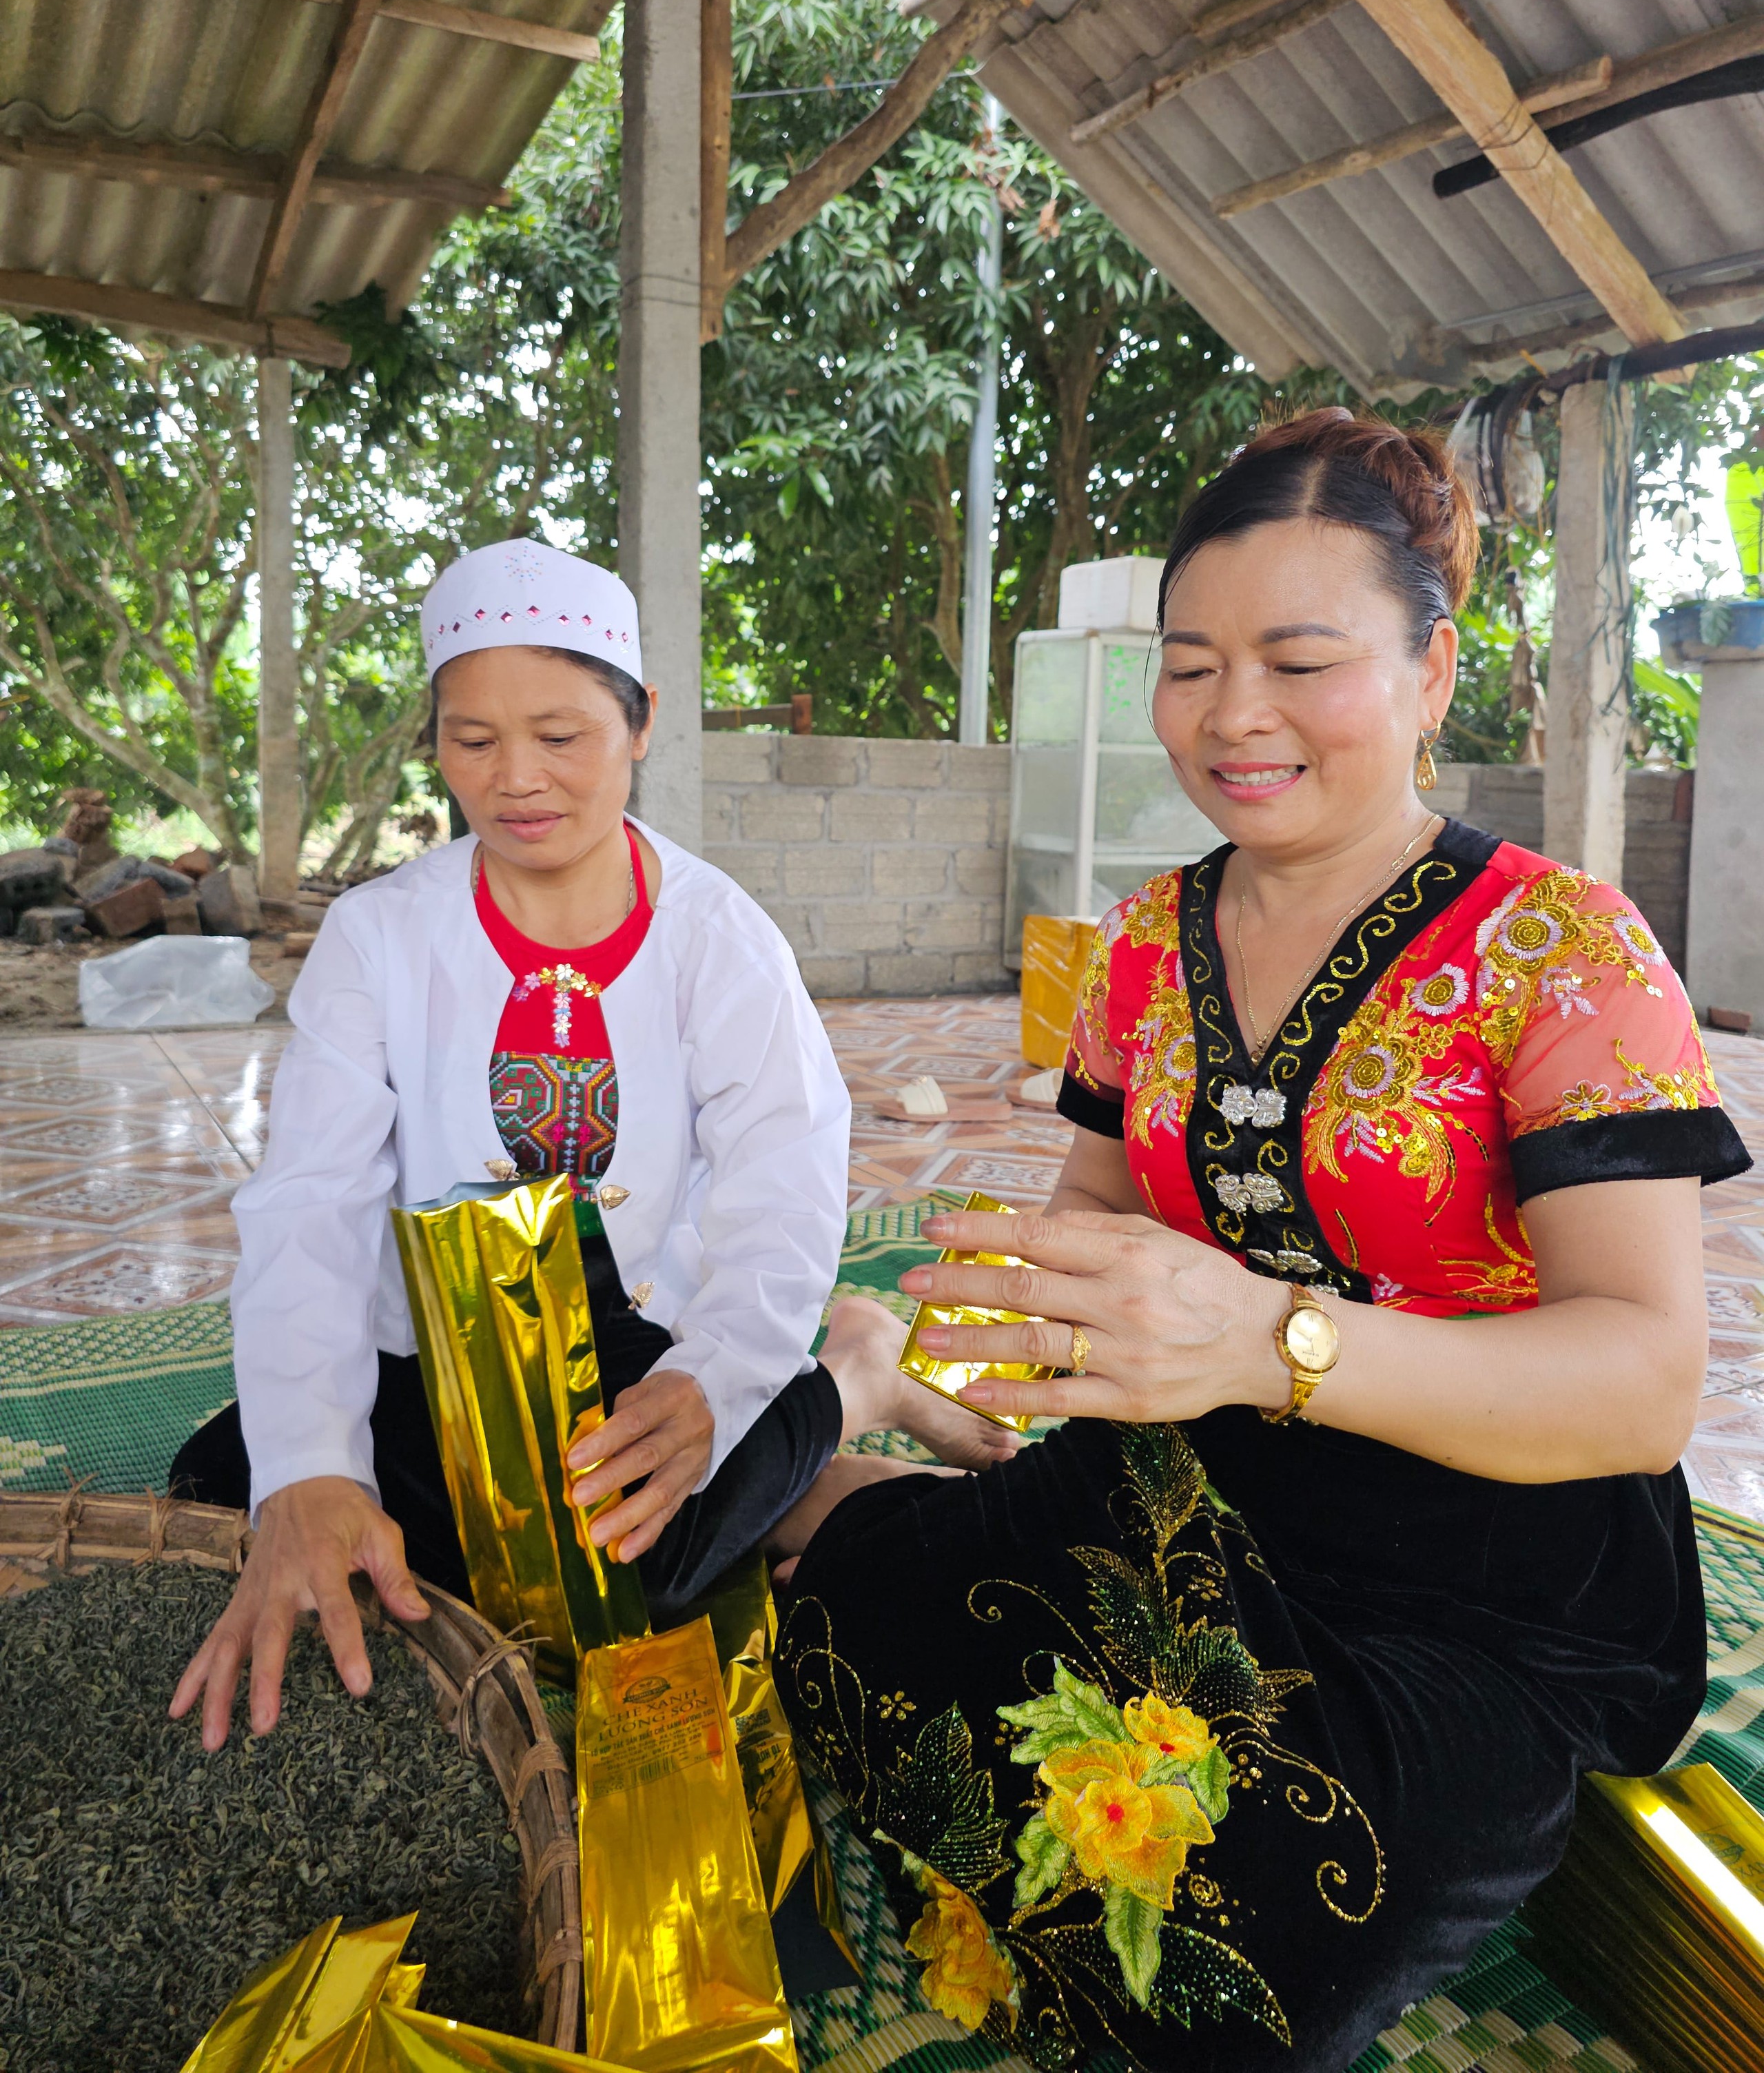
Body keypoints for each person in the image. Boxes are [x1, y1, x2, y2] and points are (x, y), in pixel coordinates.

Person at [770, 410, 1750, 2073]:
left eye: (1300, 661)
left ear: (1433, 672)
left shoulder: (1559, 949)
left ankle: (891, 1491)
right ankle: (870, 1484)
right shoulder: (1150, 937)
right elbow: (1095, 1213)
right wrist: (1044, 1309)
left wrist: (1267, 1341)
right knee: (840, 1631)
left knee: (1248, 1958)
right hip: (1184, 1487)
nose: (1233, 717)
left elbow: (1645, 1381)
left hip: (1487, 1565)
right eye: (1189, 664)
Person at [169, 539, 1012, 1750]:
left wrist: (714, 1383)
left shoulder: (721, 941)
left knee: (630, 1580)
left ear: (641, 722)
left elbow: (782, 1187)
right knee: (228, 1496)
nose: (517, 779)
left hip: (637, 1351)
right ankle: (793, 1490)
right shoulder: (379, 939)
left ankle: (852, 1372)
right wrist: (311, 1464)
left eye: (561, 736)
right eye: (473, 739)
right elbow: (311, 1201)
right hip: (441, 1354)